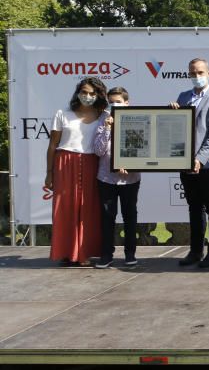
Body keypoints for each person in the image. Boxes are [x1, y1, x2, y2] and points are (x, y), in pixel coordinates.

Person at [171, 57, 209, 268]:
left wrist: (200, 159)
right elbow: (177, 128)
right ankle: (196, 251)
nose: (196, 76)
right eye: (192, 73)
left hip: (207, 163)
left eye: (200, 72)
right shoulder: (183, 97)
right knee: (194, 207)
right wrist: (172, 114)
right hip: (184, 161)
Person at [45, 77, 107, 266]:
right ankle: (66, 252)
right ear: (78, 93)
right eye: (84, 92)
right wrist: (49, 172)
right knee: (65, 208)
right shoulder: (62, 114)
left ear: (98, 95)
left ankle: (83, 253)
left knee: (88, 209)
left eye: (92, 93)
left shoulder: (103, 115)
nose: (87, 96)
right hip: (65, 162)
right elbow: (53, 145)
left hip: (91, 163)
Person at [92, 87, 141, 269]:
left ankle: (130, 254)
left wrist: (130, 163)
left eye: (118, 102)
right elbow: (98, 150)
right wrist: (107, 128)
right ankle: (106, 255)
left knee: (130, 217)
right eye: (111, 102)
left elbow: (142, 148)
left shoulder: (137, 121)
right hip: (106, 178)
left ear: (127, 103)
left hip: (130, 178)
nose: (115, 105)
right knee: (107, 217)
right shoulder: (103, 122)